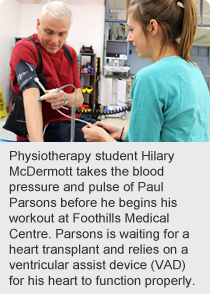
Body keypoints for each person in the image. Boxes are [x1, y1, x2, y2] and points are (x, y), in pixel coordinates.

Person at [82, 0, 210, 142]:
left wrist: (103, 138)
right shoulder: (195, 71)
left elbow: (141, 158)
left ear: (153, 27)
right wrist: (123, 131)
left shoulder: (149, 78)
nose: (129, 39)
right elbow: (176, 133)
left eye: (131, 29)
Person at [9, 1, 96, 142]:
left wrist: (65, 98)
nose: (55, 41)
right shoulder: (25, 49)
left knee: (107, 135)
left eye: (62, 34)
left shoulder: (70, 53)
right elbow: (31, 100)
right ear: (38, 24)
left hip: (70, 120)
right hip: (45, 127)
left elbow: (79, 99)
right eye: (49, 32)